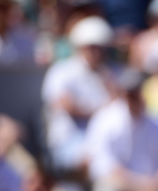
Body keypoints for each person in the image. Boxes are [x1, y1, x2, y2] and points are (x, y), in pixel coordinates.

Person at [41, 16, 114, 172]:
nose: (97, 52)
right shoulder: (62, 70)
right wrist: (100, 112)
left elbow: (117, 105)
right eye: (92, 47)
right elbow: (63, 104)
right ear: (81, 46)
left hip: (99, 142)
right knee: (100, 163)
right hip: (68, 142)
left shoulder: (106, 76)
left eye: (100, 48)